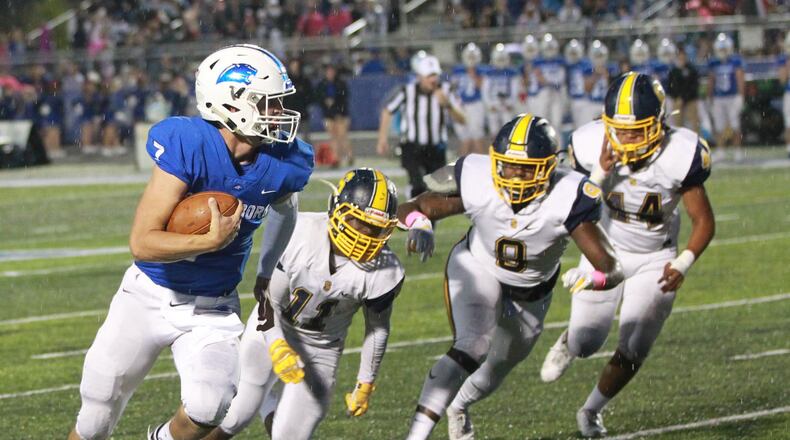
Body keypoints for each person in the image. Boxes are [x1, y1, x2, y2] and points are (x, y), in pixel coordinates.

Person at [67, 44, 314, 440]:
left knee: (210, 404)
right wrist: (206, 243)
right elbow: (142, 242)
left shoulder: (285, 162)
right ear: (232, 104)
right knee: (97, 409)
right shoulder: (189, 142)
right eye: (267, 103)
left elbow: (286, 209)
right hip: (147, 294)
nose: (278, 113)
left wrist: (267, 273)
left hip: (212, 308)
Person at [399, 113, 624, 440]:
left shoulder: (568, 196)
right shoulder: (478, 178)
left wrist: (595, 281)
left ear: (548, 168)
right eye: (509, 165)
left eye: (527, 168)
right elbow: (414, 206)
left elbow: (612, 267)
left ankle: (459, 405)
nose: (516, 176)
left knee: (497, 367)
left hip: (531, 293)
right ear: (495, 161)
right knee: (472, 346)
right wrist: (419, 223)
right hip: (477, 266)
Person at [540, 72, 716, 438]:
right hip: (605, 251)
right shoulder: (590, 144)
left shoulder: (679, 153)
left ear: (659, 124)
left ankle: (590, 413)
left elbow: (704, 221)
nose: (628, 139)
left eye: (637, 130)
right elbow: (575, 206)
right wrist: (602, 174)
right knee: (588, 341)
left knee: (634, 347)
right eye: (621, 129)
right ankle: (570, 342)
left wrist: (684, 262)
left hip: (657, 258)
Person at [204, 168, 405, 440]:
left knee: (290, 436)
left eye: (376, 228)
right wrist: (276, 344)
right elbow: (267, 297)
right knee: (237, 414)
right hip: (274, 326)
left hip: (321, 349)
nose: (366, 235)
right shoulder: (300, 233)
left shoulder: (385, 271)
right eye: (359, 223)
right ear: (338, 210)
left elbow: (377, 330)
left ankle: (270, 405)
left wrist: (366, 381)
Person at [377, 54, 465, 197]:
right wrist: (382, 139)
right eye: (429, 76)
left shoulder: (446, 91)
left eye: (435, 75)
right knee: (418, 184)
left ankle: (429, 217)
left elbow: (463, 120)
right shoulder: (407, 91)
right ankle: (413, 200)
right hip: (412, 146)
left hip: (436, 148)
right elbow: (388, 111)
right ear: (419, 76)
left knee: (437, 190)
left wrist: (448, 105)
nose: (433, 79)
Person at [707, 33, 745, 161]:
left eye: (724, 48)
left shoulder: (735, 61)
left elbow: (740, 78)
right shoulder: (714, 62)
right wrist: (709, 96)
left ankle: (737, 150)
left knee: (735, 124)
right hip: (719, 97)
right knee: (719, 125)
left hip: (732, 96)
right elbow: (711, 80)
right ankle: (721, 150)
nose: (722, 51)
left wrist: (741, 95)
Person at [450, 43, 488, 156]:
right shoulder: (457, 70)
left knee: (477, 135)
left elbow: (482, 87)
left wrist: (473, 75)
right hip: (461, 106)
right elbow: (452, 89)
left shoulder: (481, 70)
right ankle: (461, 167)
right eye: (469, 57)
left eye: (473, 57)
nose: (471, 59)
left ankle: (483, 166)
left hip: (475, 104)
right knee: (464, 137)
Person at [316, 63, 352, 166]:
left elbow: (344, 99)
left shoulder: (340, 84)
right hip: (328, 115)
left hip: (341, 114)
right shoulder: (322, 85)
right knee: (333, 136)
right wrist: (326, 102)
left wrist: (337, 109)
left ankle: (349, 155)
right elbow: (319, 98)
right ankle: (336, 157)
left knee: (342, 136)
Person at [667, 46, 700, 132]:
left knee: (694, 123)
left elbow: (693, 86)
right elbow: (671, 87)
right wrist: (677, 97)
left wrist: (683, 97)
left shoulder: (692, 70)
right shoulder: (673, 71)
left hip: (690, 100)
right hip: (677, 100)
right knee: (677, 123)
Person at [778, 33, 790, 158]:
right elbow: (782, 80)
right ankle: (789, 148)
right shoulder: (784, 59)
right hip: (789, 93)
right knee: (789, 122)